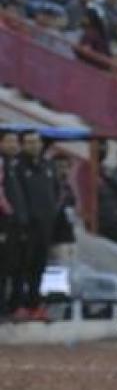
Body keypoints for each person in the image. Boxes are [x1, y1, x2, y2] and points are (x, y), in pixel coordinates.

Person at [15, 129, 59, 320]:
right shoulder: (15, 166)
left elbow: (55, 191)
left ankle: (35, 305)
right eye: (29, 142)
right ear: (22, 144)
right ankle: (17, 305)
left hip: (45, 226)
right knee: (20, 266)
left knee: (39, 267)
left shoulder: (47, 165)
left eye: (36, 141)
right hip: (24, 227)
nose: (34, 145)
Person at [0, 130, 27, 319]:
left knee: (15, 266)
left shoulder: (14, 165)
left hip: (16, 225)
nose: (13, 145)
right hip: (5, 223)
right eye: (9, 141)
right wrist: (10, 213)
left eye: (15, 141)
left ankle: (12, 306)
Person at [50, 153, 77, 263]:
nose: (64, 171)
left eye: (66, 167)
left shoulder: (68, 187)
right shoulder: (50, 187)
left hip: (69, 236)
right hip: (55, 237)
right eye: (60, 167)